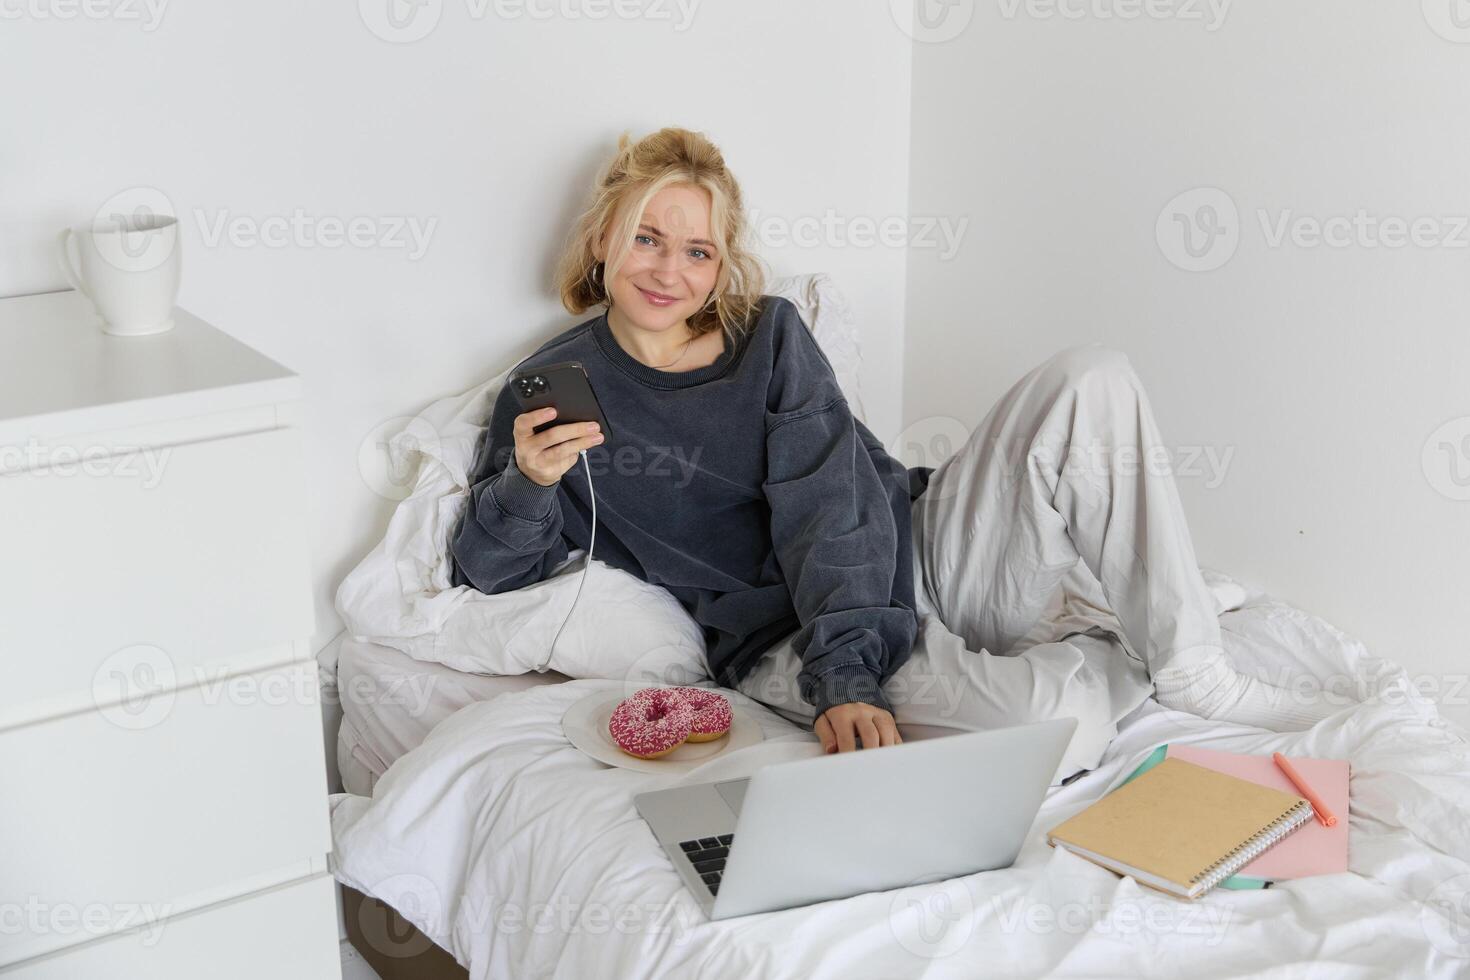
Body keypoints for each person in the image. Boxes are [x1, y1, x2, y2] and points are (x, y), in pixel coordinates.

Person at [449, 127, 1335, 782]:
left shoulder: (771, 339)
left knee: (1091, 377)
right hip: (790, 637)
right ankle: (1118, 634)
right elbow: (488, 572)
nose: (667, 271)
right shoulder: (553, 388)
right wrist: (530, 482)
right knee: (1053, 722)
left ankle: (1191, 664)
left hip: (917, 539)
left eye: (697, 251)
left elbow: (828, 502)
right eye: (647, 237)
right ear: (603, 236)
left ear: (722, 268)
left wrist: (848, 666)